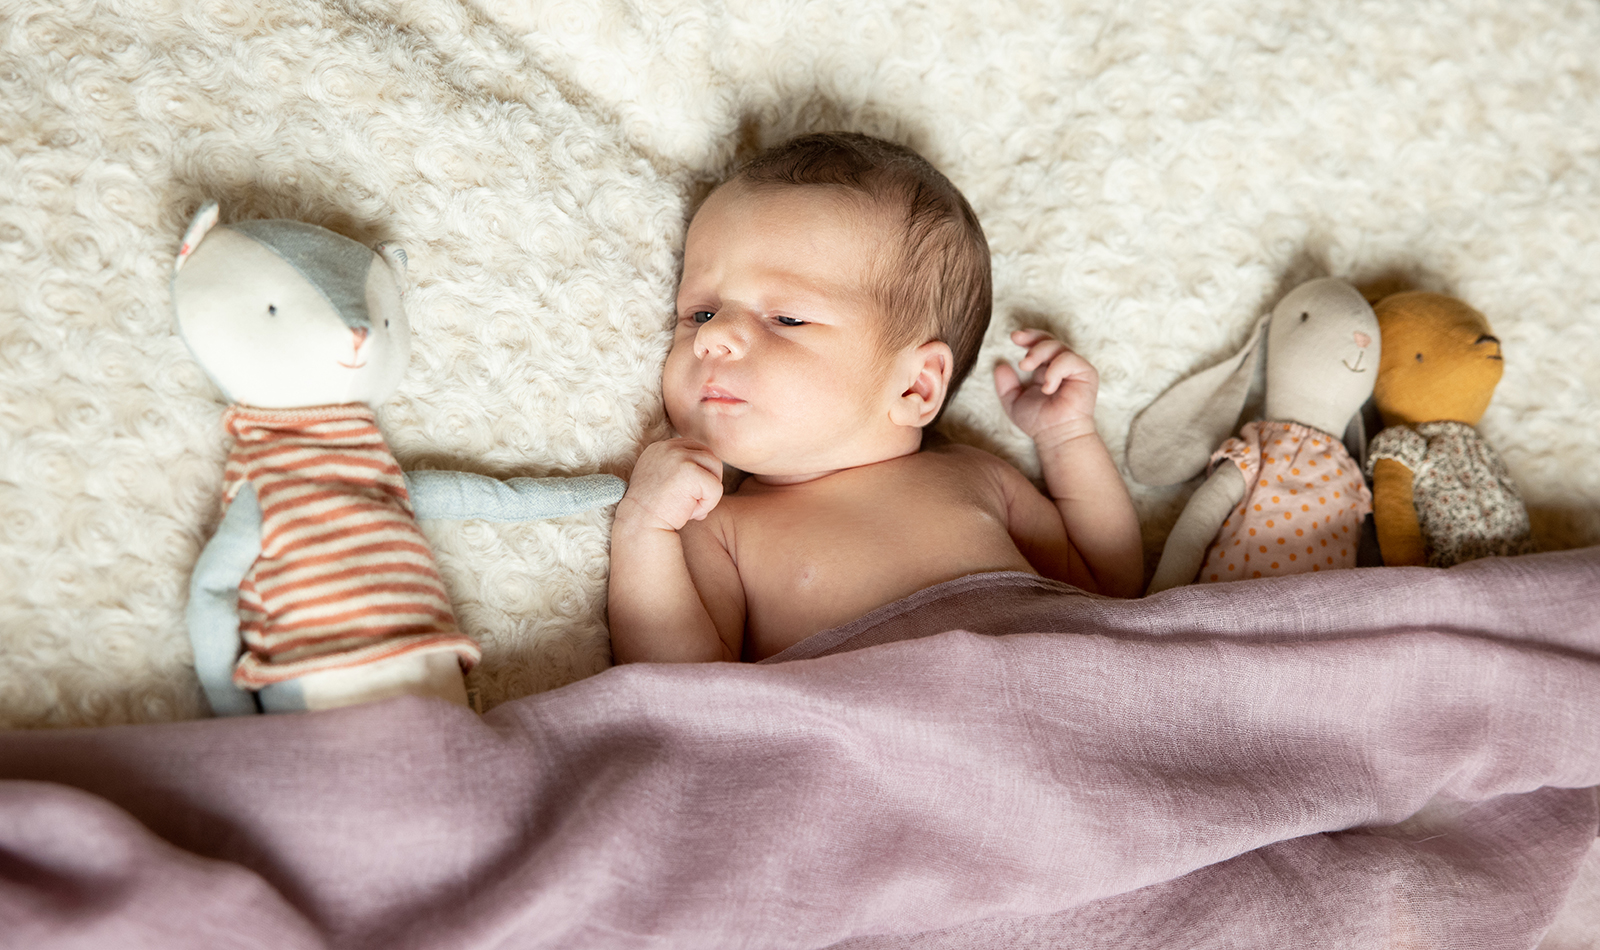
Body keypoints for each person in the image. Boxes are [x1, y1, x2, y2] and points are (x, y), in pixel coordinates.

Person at [609, 132, 1143, 663]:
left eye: (787, 318)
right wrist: (644, 528)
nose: (710, 337)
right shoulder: (719, 527)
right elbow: (684, 691)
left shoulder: (973, 477)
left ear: (916, 385)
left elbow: (1108, 586)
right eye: (699, 313)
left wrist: (1067, 437)